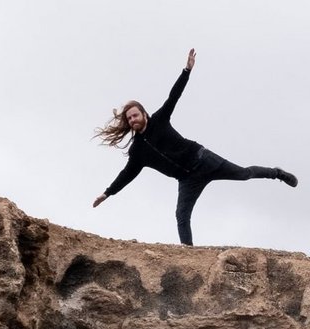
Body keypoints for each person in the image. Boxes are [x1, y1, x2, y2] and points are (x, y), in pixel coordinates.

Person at [93, 49, 297, 246]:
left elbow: (173, 96)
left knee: (243, 174)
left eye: (135, 115)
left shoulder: (159, 120)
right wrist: (107, 193)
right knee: (181, 214)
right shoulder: (137, 151)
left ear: (144, 114)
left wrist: (186, 71)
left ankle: (277, 173)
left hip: (203, 160)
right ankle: (188, 253)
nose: (132, 120)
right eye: (129, 118)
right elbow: (127, 174)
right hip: (187, 179)